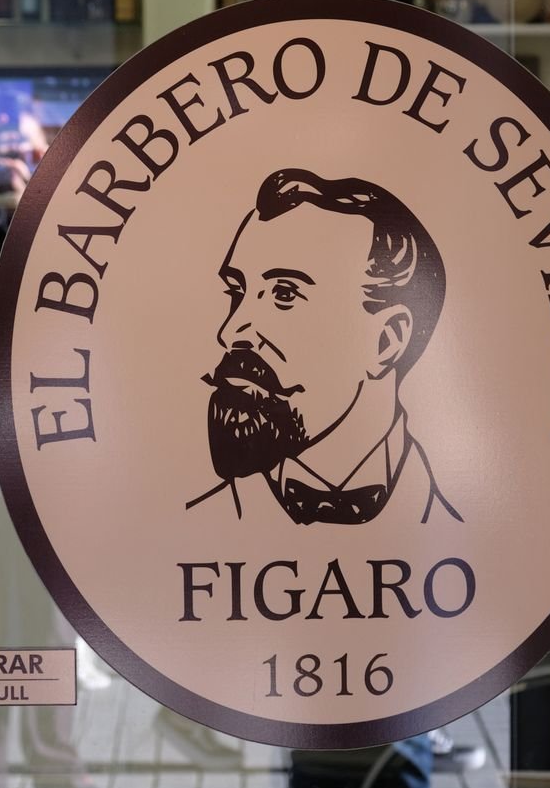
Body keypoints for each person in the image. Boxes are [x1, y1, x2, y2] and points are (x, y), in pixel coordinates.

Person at [188, 168, 463, 529]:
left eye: (284, 294)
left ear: (387, 340)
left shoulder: (463, 535)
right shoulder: (188, 531)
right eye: (237, 292)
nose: (230, 332)